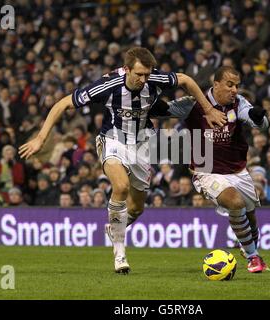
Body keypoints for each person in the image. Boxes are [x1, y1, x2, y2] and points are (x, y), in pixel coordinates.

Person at [19, 47, 226, 274]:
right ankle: (119, 253)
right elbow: (62, 104)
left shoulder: (153, 78)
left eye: (146, 74)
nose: (143, 79)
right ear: (126, 69)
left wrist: (208, 109)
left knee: (136, 209)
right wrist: (40, 138)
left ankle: (115, 227)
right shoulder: (107, 85)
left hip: (142, 144)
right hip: (113, 140)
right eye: (138, 74)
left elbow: (185, 80)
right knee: (121, 186)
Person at [151, 66, 270, 273]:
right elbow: (164, 110)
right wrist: (152, 100)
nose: (234, 90)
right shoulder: (194, 104)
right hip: (206, 170)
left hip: (238, 170)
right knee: (235, 202)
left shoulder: (239, 103)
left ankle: (249, 248)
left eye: (237, 86)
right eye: (230, 85)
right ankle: (254, 257)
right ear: (216, 85)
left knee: (250, 216)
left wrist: (257, 117)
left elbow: (258, 121)